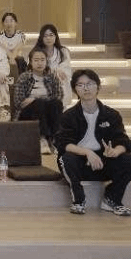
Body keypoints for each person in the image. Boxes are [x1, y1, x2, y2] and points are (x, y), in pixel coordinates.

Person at [56, 69, 131, 216]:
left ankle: (112, 199)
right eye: (80, 85)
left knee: (128, 159)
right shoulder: (68, 116)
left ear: (98, 86)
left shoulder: (111, 115)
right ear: (75, 90)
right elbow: (63, 144)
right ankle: (78, 200)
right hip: (80, 162)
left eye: (90, 84)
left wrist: (116, 151)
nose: (86, 88)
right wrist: (87, 152)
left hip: (104, 162)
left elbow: (123, 141)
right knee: (65, 158)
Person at [13, 48, 64, 154]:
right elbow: (18, 101)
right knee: (39, 104)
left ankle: (55, 140)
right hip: (27, 112)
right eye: (36, 60)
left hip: (47, 110)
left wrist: (34, 99)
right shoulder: (24, 77)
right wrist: (36, 101)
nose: (39, 63)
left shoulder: (52, 77)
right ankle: (42, 139)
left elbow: (59, 97)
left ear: (46, 61)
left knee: (56, 104)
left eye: (42, 60)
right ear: (31, 62)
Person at [36, 23, 73, 105]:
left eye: (51, 35)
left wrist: (58, 71)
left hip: (60, 86)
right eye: (45, 36)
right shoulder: (36, 52)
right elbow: (34, 69)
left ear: (56, 36)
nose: (48, 38)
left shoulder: (63, 51)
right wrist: (54, 70)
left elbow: (66, 69)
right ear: (41, 38)